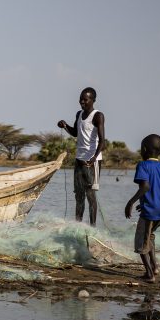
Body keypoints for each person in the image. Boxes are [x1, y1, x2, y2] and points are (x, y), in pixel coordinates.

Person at [125, 134, 160, 283]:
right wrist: (152, 201)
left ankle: (149, 274)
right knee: (150, 236)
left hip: (150, 212)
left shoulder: (143, 165)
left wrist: (130, 202)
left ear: (145, 149)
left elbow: (145, 186)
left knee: (141, 241)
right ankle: (154, 267)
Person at [57, 87, 105, 225]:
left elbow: (102, 141)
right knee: (79, 195)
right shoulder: (79, 114)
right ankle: (78, 226)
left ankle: (92, 228)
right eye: (80, 99)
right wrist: (64, 125)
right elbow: (75, 133)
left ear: (93, 100)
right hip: (79, 160)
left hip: (92, 161)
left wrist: (94, 158)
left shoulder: (98, 116)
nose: (82, 102)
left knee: (90, 196)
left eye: (85, 99)